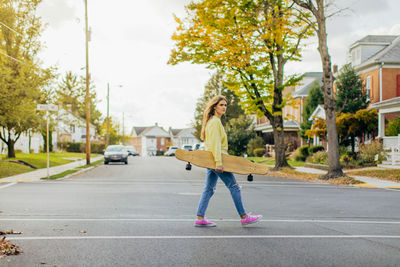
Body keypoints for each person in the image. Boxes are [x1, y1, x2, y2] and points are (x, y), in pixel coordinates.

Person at [194, 95, 262, 227]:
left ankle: (200, 217)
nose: (224, 107)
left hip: (212, 160)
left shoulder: (213, 121)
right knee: (234, 187)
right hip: (217, 160)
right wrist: (219, 162)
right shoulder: (214, 122)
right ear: (214, 107)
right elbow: (215, 144)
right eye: (221, 105)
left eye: (225, 105)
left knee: (209, 189)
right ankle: (244, 216)